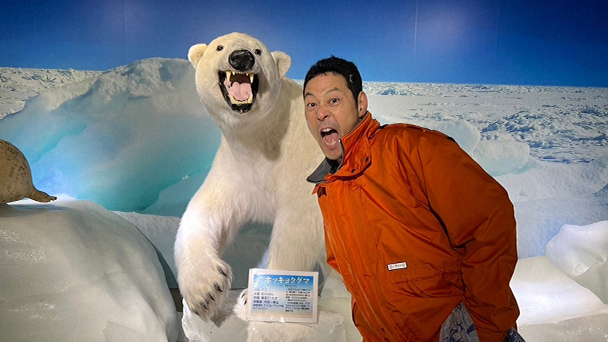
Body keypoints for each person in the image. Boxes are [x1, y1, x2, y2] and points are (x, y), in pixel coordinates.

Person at [303, 56, 524, 342]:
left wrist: (483, 327)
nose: (321, 113)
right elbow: (360, 281)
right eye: (311, 104)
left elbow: (490, 222)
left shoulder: (409, 148)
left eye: (333, 100)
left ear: (360, 104)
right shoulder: (329, 189)